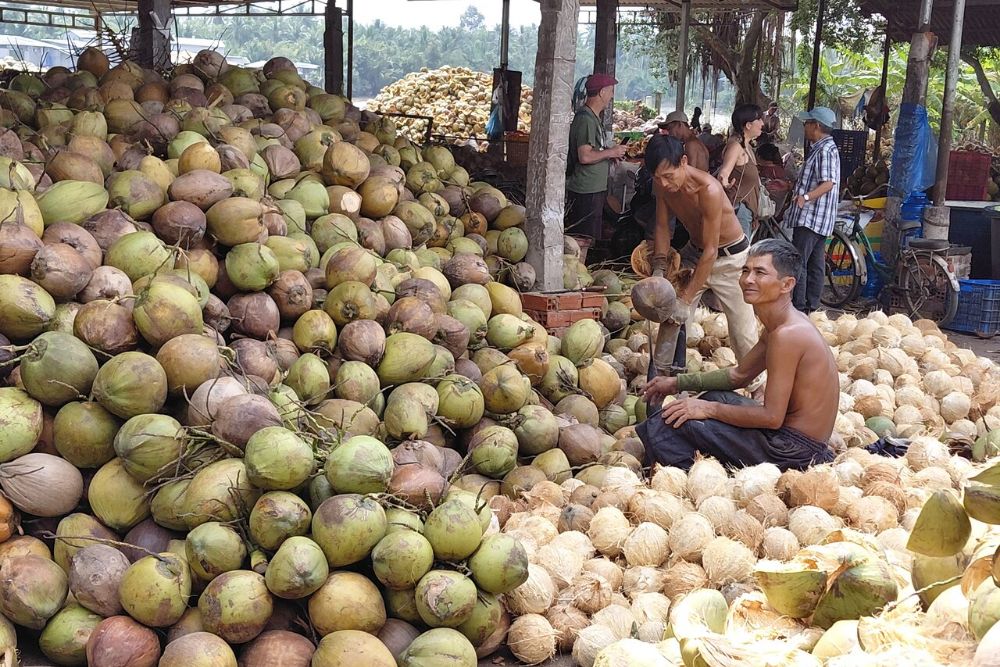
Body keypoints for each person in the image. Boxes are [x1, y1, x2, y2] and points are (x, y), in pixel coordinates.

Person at [637, 239, 837, 470]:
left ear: (787, 284)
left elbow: (772, 417)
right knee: (713, 397)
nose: (748, 280)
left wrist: (707, 410)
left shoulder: (787, 335)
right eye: (745, 270)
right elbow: (739, 375)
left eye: (760, 273)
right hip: (793, 438)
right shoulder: (779, 325)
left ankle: (677, 475)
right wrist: (676, 383)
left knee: (681, 424)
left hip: (794, 451)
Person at [645, 135, 760, 375]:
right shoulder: (662, 185)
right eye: (658, 178)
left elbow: (712, 250)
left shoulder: (709, 189)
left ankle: (758, 390)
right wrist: (659, 265)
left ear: (684, 161)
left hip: (730, 259)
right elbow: (663, 227)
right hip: (694, 253)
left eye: (669, 176)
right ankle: (662, 379)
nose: (664, 184)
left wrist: (685, 301)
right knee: (670, 319)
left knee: (743, 333)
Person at [784, 106, 841, 313]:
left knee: (800, 263)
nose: (805, 127)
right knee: (815, 264)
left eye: (807, 123)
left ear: (816, 125)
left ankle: (800, 307)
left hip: (811, 217)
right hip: (819, 218)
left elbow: (828, 183)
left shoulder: (825, 150)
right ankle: (811, 306)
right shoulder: (822, 147)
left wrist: (805, 197)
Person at [565, 73, 628, 241]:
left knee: (587, 237)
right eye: (611, 91)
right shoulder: (586, 119)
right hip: (585, 189)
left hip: (593, 188)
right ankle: (577, 266)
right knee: (582, 238)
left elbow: (594, 150)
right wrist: (611, 152)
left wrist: (607, 154)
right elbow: (584, 156)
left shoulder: (592, 118)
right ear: (601, 92)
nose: (612, 95)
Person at [717, 104, 764, 237]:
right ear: (748, 125)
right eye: (759, 119)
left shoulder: (746, 146)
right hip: (739, 211)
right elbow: (724, 172)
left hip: (746, 211)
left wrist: (754, 215)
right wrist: (724, 182)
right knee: (739, 256)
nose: (762, 123)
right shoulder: (736, 147)